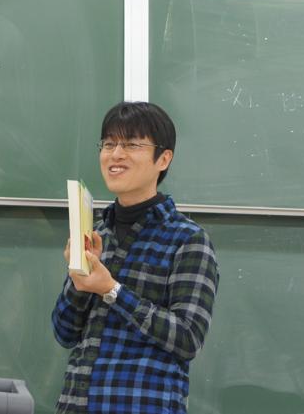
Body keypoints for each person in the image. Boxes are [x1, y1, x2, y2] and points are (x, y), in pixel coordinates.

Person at [51, 101, 219, 414]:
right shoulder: (95, 232)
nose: (115, 154)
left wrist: (112, 290)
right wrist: (79, 281)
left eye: (131, 145)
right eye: (109, 144)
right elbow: (64, 333)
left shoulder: (188, 239)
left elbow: (187, 338)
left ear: (163, 158)